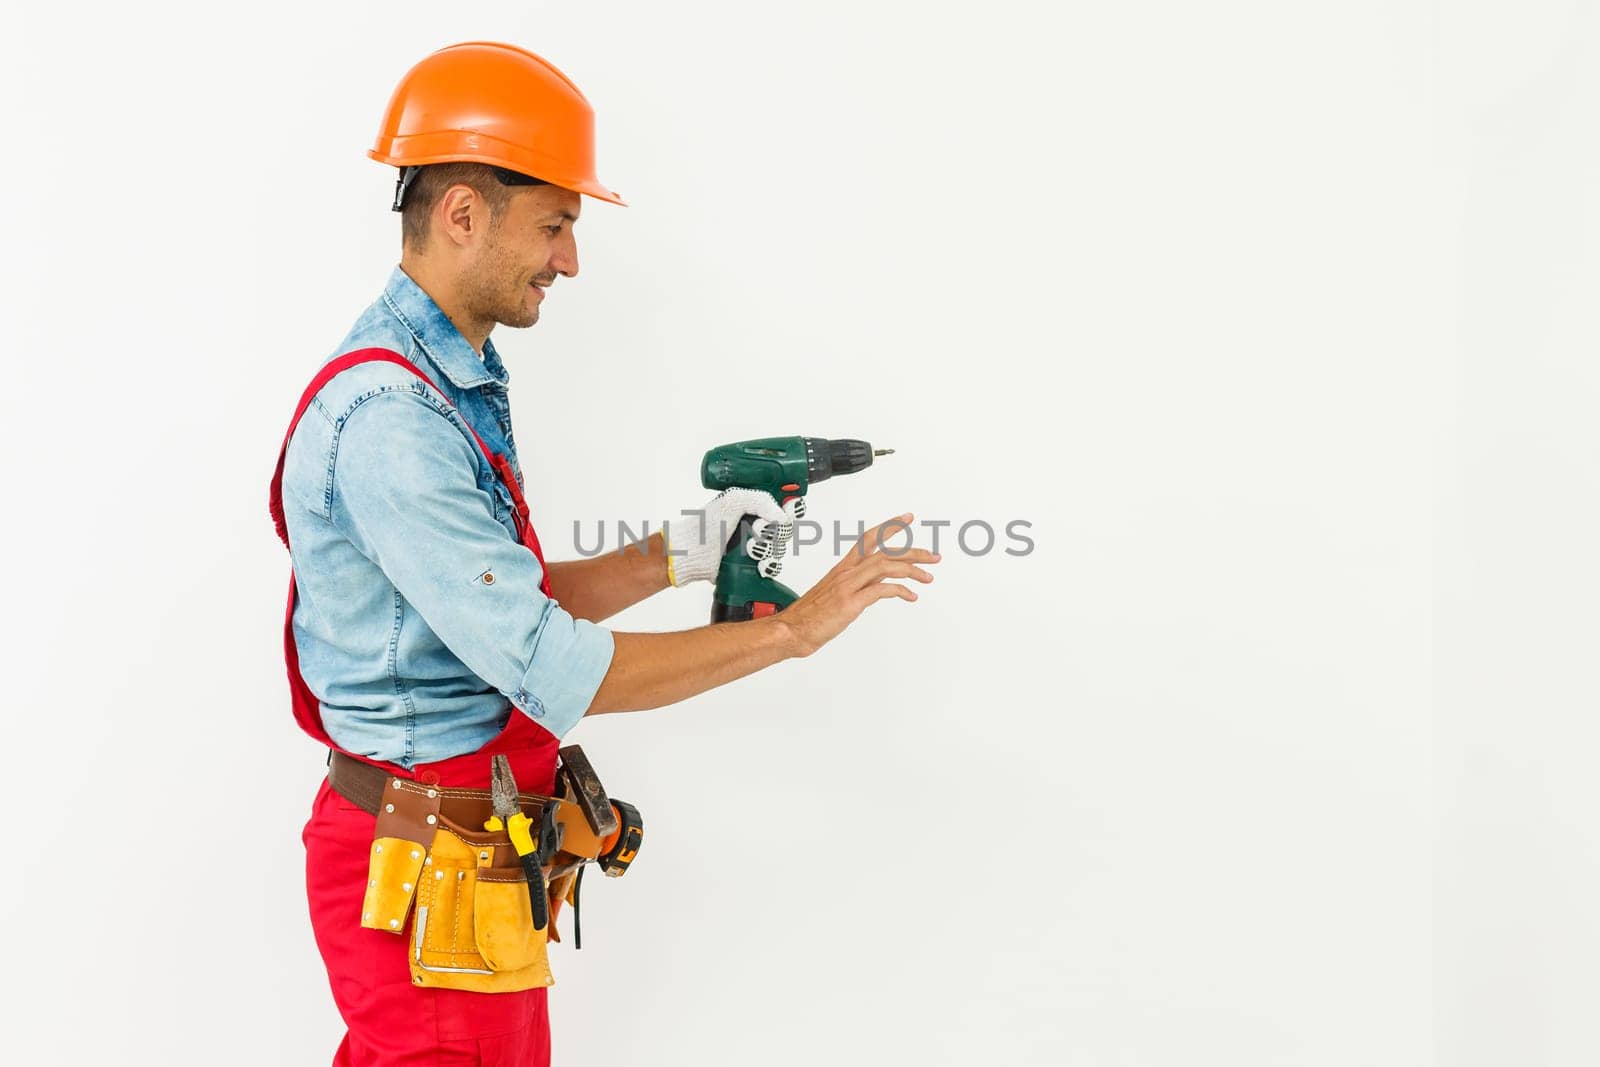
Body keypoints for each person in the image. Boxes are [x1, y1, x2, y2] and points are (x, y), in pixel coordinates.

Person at [268, 41, 940, 1066]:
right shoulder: (393, 418)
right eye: (555, 224)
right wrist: (796, 632)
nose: (568, 260)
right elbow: (553, 664)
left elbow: (501, 606)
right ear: (461, 212)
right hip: (426, 877)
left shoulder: (450, 378)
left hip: (473, 860)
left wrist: (679, 552)